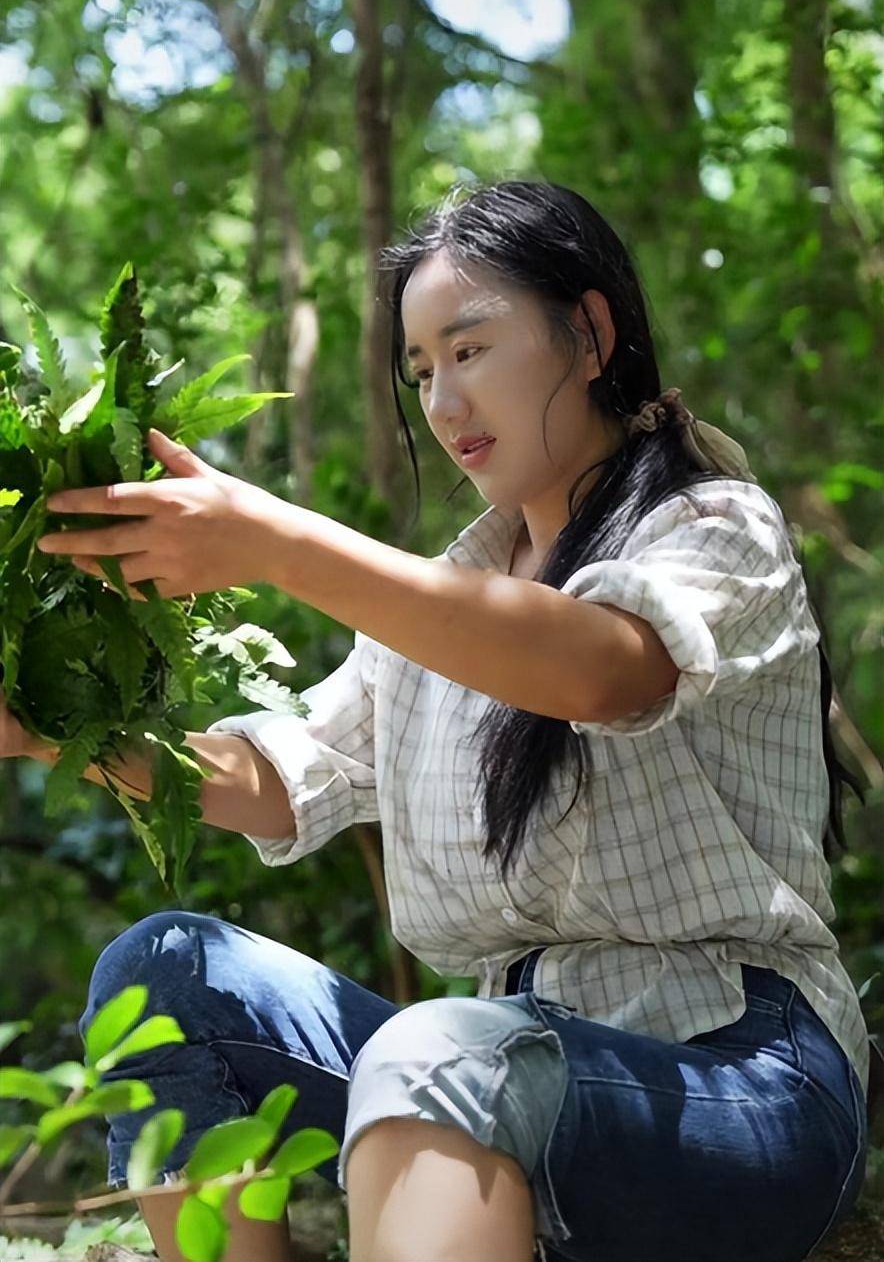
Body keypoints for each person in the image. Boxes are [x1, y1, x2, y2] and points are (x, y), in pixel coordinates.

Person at [6, 179, 872, 1262]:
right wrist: (46, 727)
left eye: (467, 351)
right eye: (420, 370)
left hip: (741, 1080)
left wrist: (276, 542)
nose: (441, 401)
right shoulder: (444, 596)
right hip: (492, 1069)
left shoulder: (709, 523)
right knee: (165, 972)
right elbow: (278, 774)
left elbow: (601, 670)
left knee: (435, 1049)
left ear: (589, 332)